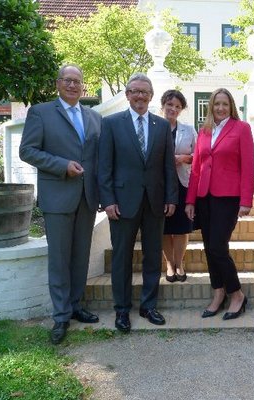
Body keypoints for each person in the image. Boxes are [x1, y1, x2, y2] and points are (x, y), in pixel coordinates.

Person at [19, 64, 101, 345]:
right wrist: (61, 165)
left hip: (87, 197)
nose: (73, 85)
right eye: (67, 80)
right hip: (58, 196)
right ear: (58, 83)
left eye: (77, 81)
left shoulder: (93, 116)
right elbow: (27, 150)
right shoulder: (41, 113)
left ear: (83, 86)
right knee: (59, 259)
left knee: (80, 256)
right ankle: (61, 315)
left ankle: (76, 306)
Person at [98, 73, 177, 332]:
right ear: (127, 95)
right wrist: (107, 200)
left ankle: (148, 306)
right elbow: (104, 166)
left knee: (153, 256)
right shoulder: (110, 124)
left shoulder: (162, 126)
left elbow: (168, 166)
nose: (140, 96)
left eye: (145, 92)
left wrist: (171, 197)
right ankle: (122, 310)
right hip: (121, 203)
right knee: (122, 257)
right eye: (135, 91)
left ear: (151, 96)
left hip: (155, 202)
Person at [185, 88, 254, 320]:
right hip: (204, 197)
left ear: (231, 106)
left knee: (217, 246)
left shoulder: (241, 128)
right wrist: (190, 200)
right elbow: (196, 168)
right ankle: (218, 293)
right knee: (208, 247)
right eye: (216, 104)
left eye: (225, 104)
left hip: (228, 197)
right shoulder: (204, 131)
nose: (220, 108)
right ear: (210, 106)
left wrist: (246, 200)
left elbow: (248, 166)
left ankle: (236, 294)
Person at [160, 90, 197, 283]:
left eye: (177, 106)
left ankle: (179, 263)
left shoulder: (189, 130)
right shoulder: (154, 126)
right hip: (160, 186)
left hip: (183, 183)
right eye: (170, 105)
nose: (173, 109)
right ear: (163, 105)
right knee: (165, 227)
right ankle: (169, 264)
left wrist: (183, 158)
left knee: (182, 227)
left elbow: (199, 156)